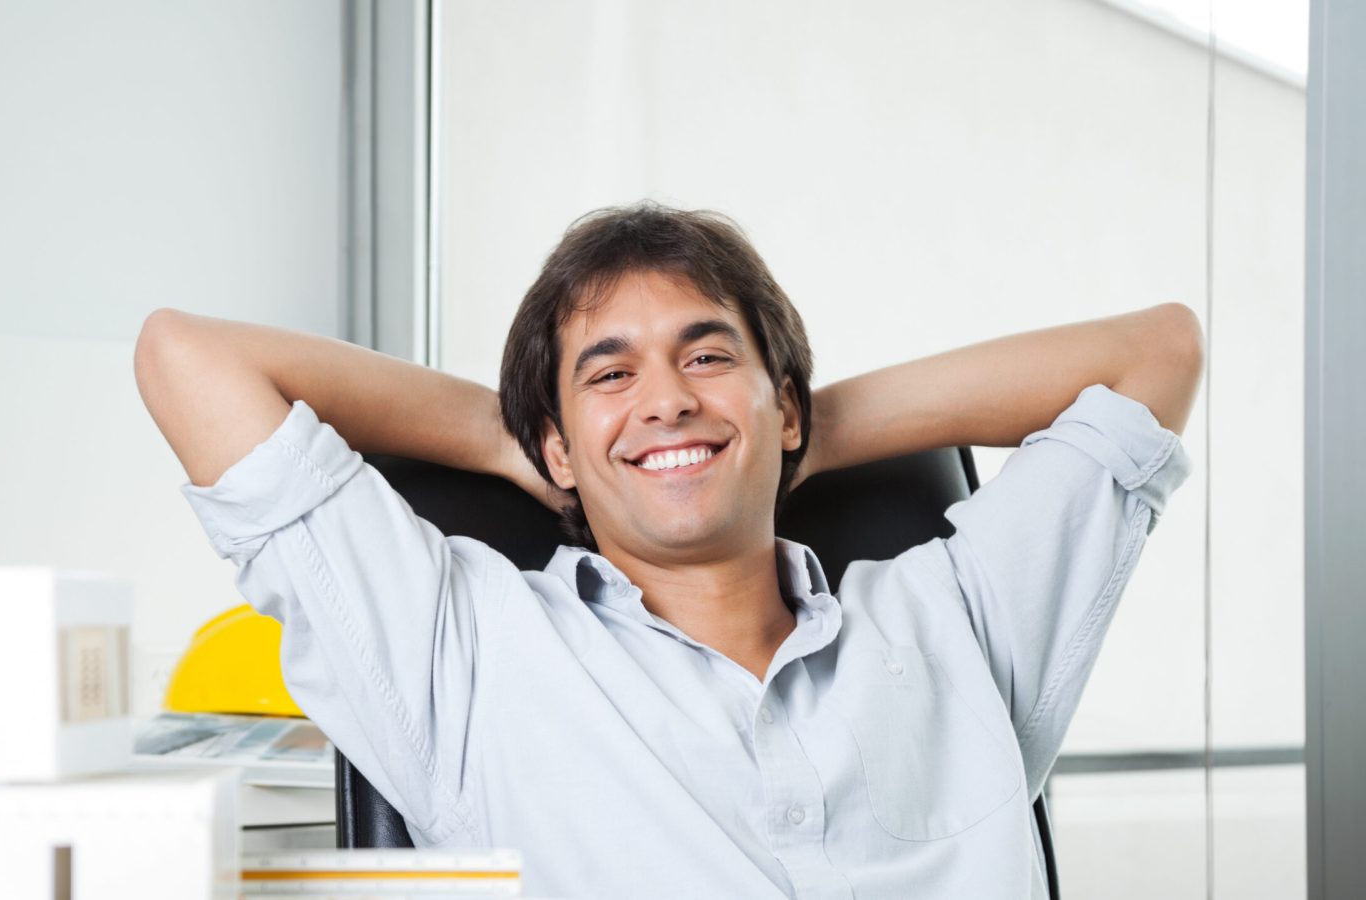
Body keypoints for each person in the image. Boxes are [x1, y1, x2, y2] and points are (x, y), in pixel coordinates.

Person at [134, 202, 1201, 899]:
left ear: (784, 405)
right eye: (609, 375)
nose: (665, 396)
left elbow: (1156, 351)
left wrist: (788, 428)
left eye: (705, 355)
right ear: (554, 441)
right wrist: (511, 440)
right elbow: (187, 356)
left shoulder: (961, 613)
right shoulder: (464, 650)